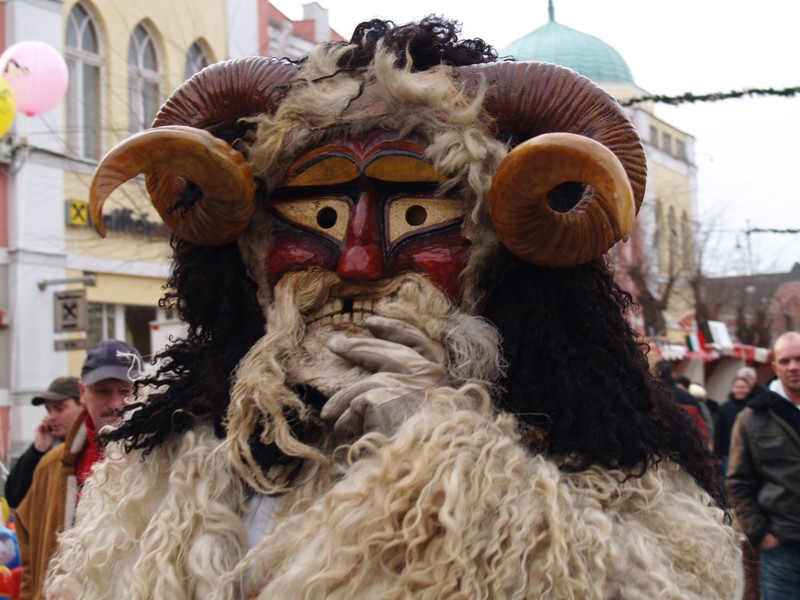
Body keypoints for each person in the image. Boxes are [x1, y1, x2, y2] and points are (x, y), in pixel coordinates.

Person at [46, 18, 741, 598]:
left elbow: (664, 579)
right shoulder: (177, 466)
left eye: (417, 214)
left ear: (496, 248)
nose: (357, 262)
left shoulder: (598, 447)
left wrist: (455, 461)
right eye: (317, 214)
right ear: (257, 246)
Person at [15, 339, 141, 600]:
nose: (115, 403)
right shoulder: (52, 466)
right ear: (83, 392)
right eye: (102, 391)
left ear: (141, 390)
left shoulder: (165, 460)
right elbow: (26, 531)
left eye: (124, 389)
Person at [727, 331, 800, 600]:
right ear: (775, 366)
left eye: (799, 359)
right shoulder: (752, 418)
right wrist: (761, 533)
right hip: (783, 547)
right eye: (786, 361)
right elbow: (738, 481)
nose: (794, 367)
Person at [4, 377, 83, 508]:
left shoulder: (96, 446)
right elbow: (15, 498)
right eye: (48, 409)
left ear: (83, 404)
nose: (51, 417)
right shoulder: (49, 450)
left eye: (59, 408)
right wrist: (38, 450)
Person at [655, 360, 709, 445]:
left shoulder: (651, 396)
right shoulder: (689, 398)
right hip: (686, 446)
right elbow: (701, 427)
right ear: (673, 374)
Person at [715, 376, 753, 477]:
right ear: (733, 389)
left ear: (748, 389)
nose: (740, 390)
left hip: (750, 453)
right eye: (738, 387)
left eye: (743, 387)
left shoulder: (753, 408)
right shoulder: (724, 408)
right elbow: (718, 432)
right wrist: (717, 455)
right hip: (728, 453)